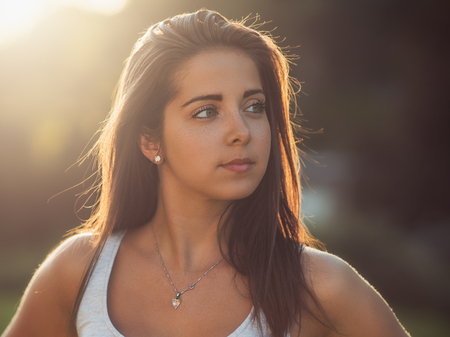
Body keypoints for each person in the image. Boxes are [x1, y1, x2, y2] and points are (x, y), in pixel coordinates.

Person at [3, 9, 410, 337]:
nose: (241, 131)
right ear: (151, 141)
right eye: (206, 111)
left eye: (254, 106)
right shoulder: (79, 271)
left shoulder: (322, 286)